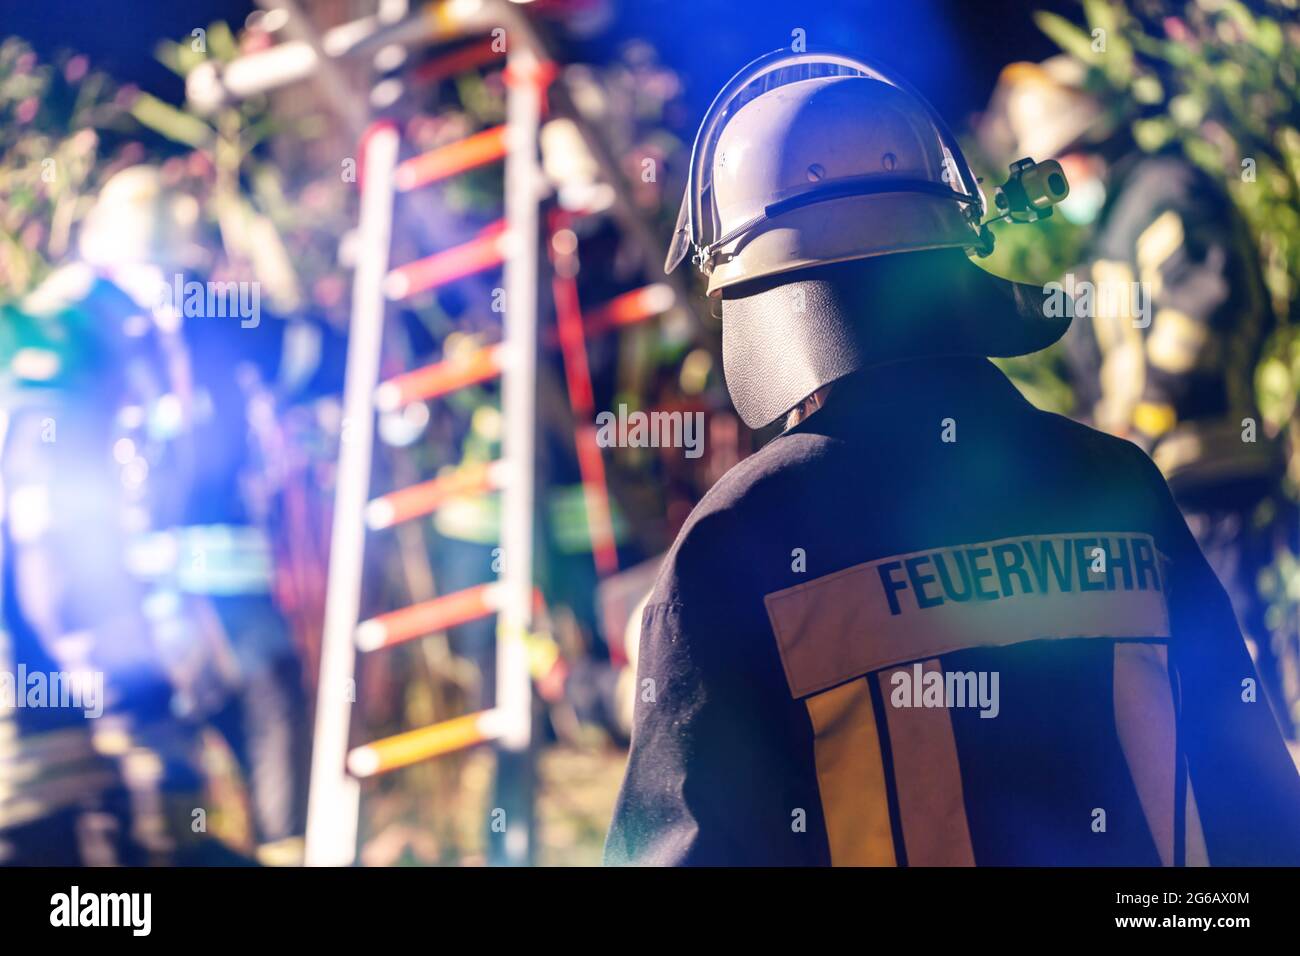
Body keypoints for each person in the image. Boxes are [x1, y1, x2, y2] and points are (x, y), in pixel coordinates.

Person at [604, 48, 1300, 866]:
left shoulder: (737, 544)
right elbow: (1257, 807)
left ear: (755, 300)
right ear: (958, 247)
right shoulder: (1117, 485)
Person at [979, 57, 1294, 738]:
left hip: (1206, 462)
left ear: (1078, 151)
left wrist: (1147, 409)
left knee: (1228, 637)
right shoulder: (1114, 223)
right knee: (1193, 644)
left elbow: (1205, 296)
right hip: (1162, 473)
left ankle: (1265, 790)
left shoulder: (1166, 191)